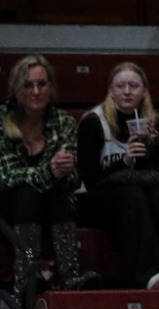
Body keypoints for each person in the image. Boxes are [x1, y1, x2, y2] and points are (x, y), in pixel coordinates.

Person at [78, 64, 159, 290]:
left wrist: (150, 147)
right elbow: (91, 178)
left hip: (132, 192)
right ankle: (150, 271)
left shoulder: (154, 124)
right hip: (93, 197)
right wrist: (125, 161)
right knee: (132, 195)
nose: (127, 91)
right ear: (111, 90)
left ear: (144, 91)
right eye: (120, 86)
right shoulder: (92, 122)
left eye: (133, 86)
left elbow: (154, 175)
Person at [1, 56, 95, 294]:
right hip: (8, 203)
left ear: (51, 88)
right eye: (28, 85)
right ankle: (26, 277)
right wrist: (50, 171)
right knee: (28, 192)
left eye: (42, 84)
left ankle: (70, 276)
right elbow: (6, 177)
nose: (36, 91)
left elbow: (75, 181)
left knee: (56, 192)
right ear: (15, 89)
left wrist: (65, 170)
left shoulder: (63, 121)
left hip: (54, 204)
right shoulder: (2, 119)